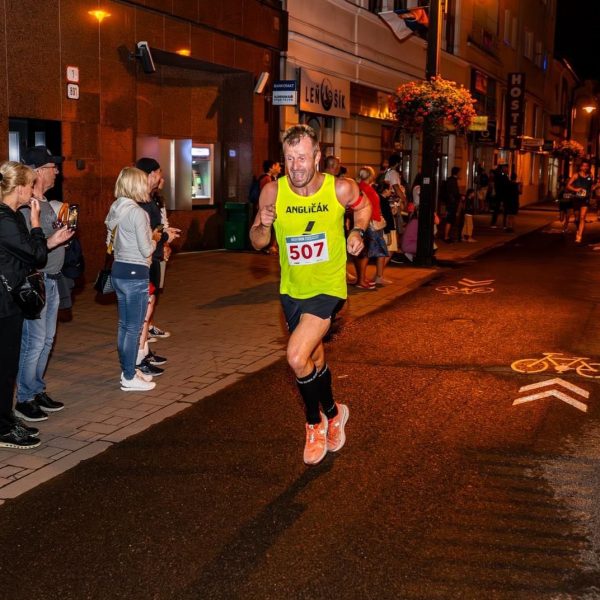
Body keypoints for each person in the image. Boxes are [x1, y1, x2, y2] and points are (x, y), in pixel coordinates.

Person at [249, 124, 370, 466]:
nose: (296, 166)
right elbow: (258, 243)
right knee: (314, 358)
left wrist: (358, 231)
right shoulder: (272, 192)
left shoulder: (340, 188)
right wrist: (262, 223)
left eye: (302, 157)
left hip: (328, 288)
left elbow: (362, 209)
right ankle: (334, 413)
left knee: (296, 356)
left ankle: (314, 423)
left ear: (317, 156)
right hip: (292, 290)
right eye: (290, 159)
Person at [0, 161, 72, 448]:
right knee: (5, 366)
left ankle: (5, 418)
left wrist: (48, 239)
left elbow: (34, 253)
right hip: (3, 303)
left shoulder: (11, 215)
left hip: (11, 300)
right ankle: (3, 427)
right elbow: (35, 254)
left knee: (7, 366)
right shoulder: (5, 219)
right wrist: (36, 224)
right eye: (30, 184)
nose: (33, 189)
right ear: (19, 188)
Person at [14, 146, 74, 422]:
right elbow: (29, 247)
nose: (57, 172)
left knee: (47, 340)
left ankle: (36, 389)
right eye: (53, 167)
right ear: (38, 172)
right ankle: (24, 398)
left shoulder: (47, 204)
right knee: (35, 342)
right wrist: (54, 240)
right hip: (36, 282)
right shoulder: (26, 208)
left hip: (52, 280)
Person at [104, 167, 165, 392]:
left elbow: (108, 243)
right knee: (134, 328)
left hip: (119, 269)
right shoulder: (138, 212)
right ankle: (129, 376)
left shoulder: (116, 208)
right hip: (135, 273)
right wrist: (155, 237)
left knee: (124, 326)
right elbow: (145, 248)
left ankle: (128, 369)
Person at [134, 157, 180, 374]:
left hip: (150, 257)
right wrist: (164, 237)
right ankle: (137, 359)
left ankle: (143, 352)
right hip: (142, 261)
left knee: (148, 305)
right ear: (150, 174)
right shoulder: (137, 202)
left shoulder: (149, 199)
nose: (161, 177)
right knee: (141, 312)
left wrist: (163, 240)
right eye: (159, 172)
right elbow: (147, 234)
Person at [357, 166, 390, 286]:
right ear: (370, 176)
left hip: (367, 222)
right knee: (371, 252)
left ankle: (365, 278)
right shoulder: (367, 189)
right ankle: (371, 278)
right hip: (371, 223)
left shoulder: (361, 187)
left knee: (367, 252)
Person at [566, 159, 598, 244]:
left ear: (588, 167)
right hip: (576, 198)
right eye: (583, 166)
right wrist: (576, 189)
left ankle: (579, 236)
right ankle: (578, 229)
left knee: (582, 217)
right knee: (577, 218)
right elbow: (568, 186)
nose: (585, 167)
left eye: (587, 166)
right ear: (580, 167)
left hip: (585, 199)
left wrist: (597, 186)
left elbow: (591, 188)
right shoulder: (576, 175)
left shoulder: (590, 176)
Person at [442, 166, 461, 242]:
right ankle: (446, 236)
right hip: (451, 204)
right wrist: (458, 197)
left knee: (450, 220)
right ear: (457, 173)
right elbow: (454, 193)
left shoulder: (450, 180)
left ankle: (447, 235)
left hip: (450, 203)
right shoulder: (453, 181)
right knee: (449, 220)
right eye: (459, 172)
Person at [491, 164, 509, 229]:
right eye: (506, 168)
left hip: (500, 195)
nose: (507, 169)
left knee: (497, 209)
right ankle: (503, 225)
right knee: (500, 209)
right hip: (501, 195)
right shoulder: (502, 176)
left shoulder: (501, 176)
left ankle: (495, 223)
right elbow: (504, 185)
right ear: (503, 168)